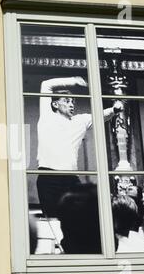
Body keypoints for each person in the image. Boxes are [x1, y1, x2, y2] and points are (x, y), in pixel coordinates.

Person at [36, 76, 124, 218]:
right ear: (55, 105)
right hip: (48, 178)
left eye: (73, 102)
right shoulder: (47, 117)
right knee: (53, 220)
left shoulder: (80, 121)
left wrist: (114, 109)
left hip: (70, 178)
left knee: (77, 219)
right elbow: (45, 84)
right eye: (66, 101)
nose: (71, 105)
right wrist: (73, 81)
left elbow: (100, 115)